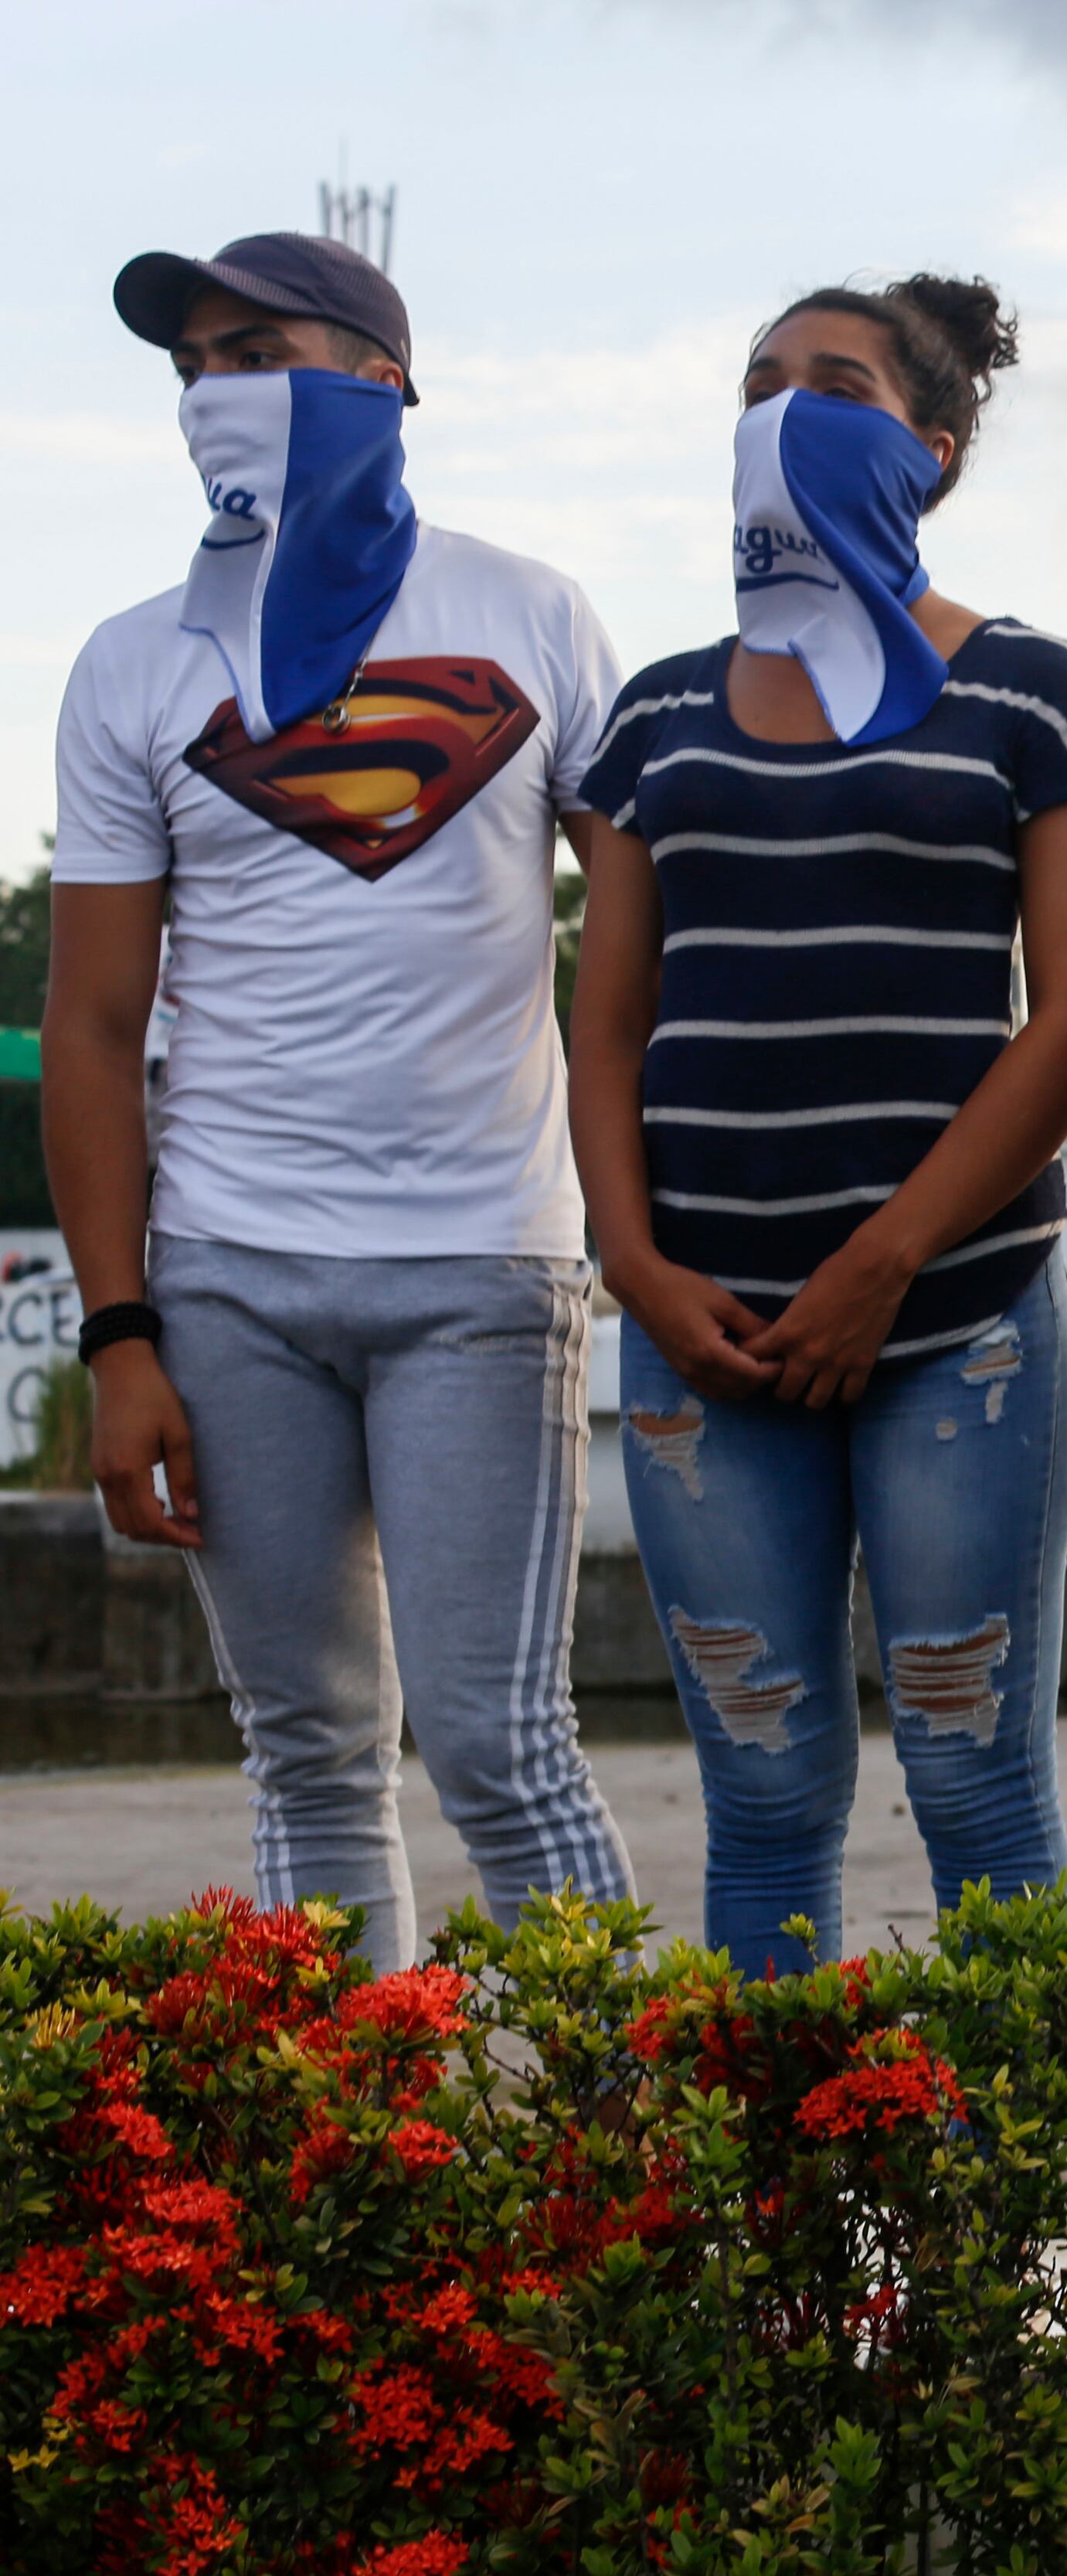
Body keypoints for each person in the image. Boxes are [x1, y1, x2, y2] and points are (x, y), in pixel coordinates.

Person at [45, 231, 634, 1969]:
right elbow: (92, 1025)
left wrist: (648, 1219)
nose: (214, 391)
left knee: (501, 1748)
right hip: (227, 1278)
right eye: (192, 366)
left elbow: (647, 930)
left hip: (482, 1266)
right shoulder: (135, 661)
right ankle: (356, 2128)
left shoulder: (530, 613)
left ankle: (629, 2129)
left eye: (258, 353)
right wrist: (119, 1335)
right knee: (307, 1754)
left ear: (383, 382)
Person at [566, 277, 1067, 1972]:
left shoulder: (1033, 690)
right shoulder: (657, 715)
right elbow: (604, 1027)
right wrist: (634, 1267)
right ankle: (782, 2147)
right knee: (761, 1795)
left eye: (835, 383)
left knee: (978, 1783)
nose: (784, 410)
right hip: (703, 1337)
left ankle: (1009, 2152)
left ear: (933, 453)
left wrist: (886, 1261)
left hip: (957, 1322)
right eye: (760, 383)